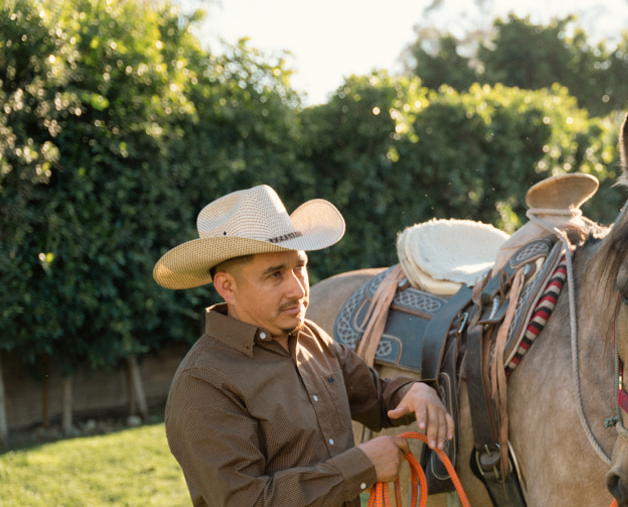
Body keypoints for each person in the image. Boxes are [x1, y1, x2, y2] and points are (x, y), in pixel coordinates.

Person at [154, 184, 454, 506]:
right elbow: (248, 501)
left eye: (300, 267)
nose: (297, 289)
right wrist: (362, 466)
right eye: (275, 275)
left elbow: (375, 397)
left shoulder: (311, 338)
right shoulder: (203, 382)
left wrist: (410, 392)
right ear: (227, 286)